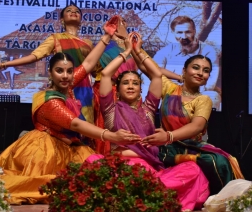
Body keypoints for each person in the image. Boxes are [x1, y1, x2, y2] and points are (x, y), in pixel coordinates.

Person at [0, 30, 140, 205]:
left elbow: (89, 63)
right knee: (47, 186)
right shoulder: (48, 99)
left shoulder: (69, 85)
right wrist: (111, 136)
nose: (65, 76)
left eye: (69, 71)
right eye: (59, 71)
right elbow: (75, 124)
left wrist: (107, 36)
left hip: (71, 147)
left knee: (98, 183)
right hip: (45, 150)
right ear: (50, 73)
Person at [87, 31, 210, 211]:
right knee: (92, 160)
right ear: (118, 90)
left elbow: (156, 76)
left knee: (192, 169)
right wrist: (126, 51)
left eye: (135, 83)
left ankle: (138, 192)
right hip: (117, 166)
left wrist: (138, 50)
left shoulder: (149, 109)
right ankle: (145, 195)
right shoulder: (110, 109)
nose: (130, 86)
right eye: (125, 83)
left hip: (145, 169)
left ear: (140, 89)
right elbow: (105, 74)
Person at [136, 49, 244, 195]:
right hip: (166, 147)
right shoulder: (170, 89)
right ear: (184, 71)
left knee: (219, 161)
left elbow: (196, 126)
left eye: (206, 71)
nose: (200, 73)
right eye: (195, 67)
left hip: (191, 146)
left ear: (208, 77)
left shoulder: (203, 99)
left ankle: (223, 201)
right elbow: (145, 67)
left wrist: (168, 136)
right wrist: (135, 48)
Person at [0, 5, 95, 125]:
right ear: (62, 19)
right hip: (63, 86)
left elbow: (96, 69)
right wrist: (3, 64)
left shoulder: (88, 43)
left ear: (81, 19)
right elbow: (34, 56)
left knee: (86, 125)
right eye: (69, 11)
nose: (73, 12)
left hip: (84, 89)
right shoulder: (55, 38)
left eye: (77, 11)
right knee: (65, 125)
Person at [143, 15, 221, 109]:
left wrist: (186, 93)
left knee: (213, 96)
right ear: (173, 33)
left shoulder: (208, 51)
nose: (184, 36)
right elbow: (151, 72)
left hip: (196, 94)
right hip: (169, 94)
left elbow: (210, 83)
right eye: (179, 32)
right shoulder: (165, 52)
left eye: (188, 32)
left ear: (194, 31)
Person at [92, 15, 138, 155]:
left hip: (128, 92)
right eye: (114, 23)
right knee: (106, 126)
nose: (119, 25)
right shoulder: (103, 46)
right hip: (107, 91)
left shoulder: (132, 46)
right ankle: (103, 160)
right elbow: (94, 71)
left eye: (122, 22)